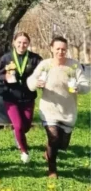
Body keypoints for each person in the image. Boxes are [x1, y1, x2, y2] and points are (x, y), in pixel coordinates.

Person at [26, 36, 89, 178]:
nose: (61, 52)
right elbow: (30, 82)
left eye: (63, 49)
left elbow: (86, 85)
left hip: (68, 111)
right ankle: (52, 169)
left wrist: (79, 87)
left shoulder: (74, 66)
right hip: (49, 109)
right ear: (52, 49)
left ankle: (48, 151)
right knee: (54, 138)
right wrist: (37, 83)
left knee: (62, 145)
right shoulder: (45, 65)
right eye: (58, 49)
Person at [0, 32, 42, 163]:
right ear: (14, 43)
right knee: (19, 126)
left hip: (28, 97)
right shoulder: (6, 58)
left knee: (25, 127)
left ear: (28, 44)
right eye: (19, 42)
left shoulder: (35, 59)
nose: (22, 45)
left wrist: (41, 80)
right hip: (11, 97)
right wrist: (5, 77)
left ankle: (17, 134)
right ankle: (24, 152)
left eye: (25, 43)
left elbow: (44, 72)